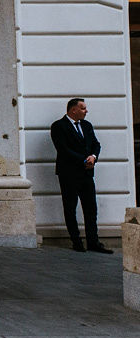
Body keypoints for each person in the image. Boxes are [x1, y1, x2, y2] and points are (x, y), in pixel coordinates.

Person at [51, 98, 111, 253]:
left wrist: (93, 157)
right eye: (83, 108)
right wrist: (84, 160)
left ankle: (93, 242)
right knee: (70, 207)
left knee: (91, 208)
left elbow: (96, 144)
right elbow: (63, 149)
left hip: (87, 173)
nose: (86, 111)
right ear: (73, 110)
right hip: (69, 174)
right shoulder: (59, 126)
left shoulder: (86, 125)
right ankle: (76, 241)